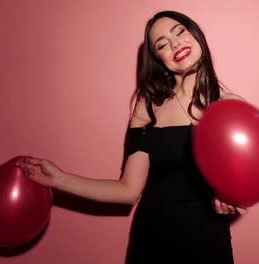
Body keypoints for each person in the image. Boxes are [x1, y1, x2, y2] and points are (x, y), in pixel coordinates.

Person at [17, 10, 246, 263]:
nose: (175, 44)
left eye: (179, 32)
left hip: (207, 243)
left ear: (196, 35)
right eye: (162, 45)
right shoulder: (148, 106)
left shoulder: (233, 107)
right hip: (152, 241)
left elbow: (247, 183)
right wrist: (60, 180)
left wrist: (233, 198)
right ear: (160, 60)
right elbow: (128, 190)